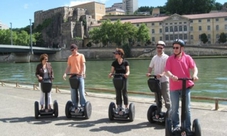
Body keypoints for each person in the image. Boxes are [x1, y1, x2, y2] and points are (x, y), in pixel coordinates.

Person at [165, 39, 199, 133]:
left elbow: (194, 68)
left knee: (187, 108)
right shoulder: (170, 59)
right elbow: (167, 71)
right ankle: (176, 126)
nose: (175, 49)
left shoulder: (187, 58)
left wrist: (195, 75)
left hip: (186, 86)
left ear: (182, 48)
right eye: (174, 47)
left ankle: (187, 127)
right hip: (174, 87)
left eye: (177, 48)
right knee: (175, 108)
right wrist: (172, 76)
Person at [146, 41, 170, 118]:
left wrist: (162, 74)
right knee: (157, 97)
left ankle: (170, 112)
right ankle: (158, 112)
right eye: (158, 48)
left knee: (166, 97)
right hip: (156, 81)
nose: (159, 49)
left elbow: (167, 69)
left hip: (164, 80)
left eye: (161, 48)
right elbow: (150, 66)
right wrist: (148, 73)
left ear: (163, 48)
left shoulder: (166, 57)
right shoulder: (154, 58)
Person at [63, 44, 87, 112]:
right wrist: (65, 73)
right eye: (71, 50)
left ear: (76, 49)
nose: (72, 51)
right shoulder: (70, 57)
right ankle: (75, 105)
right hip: (72, 76)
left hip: (79, 76)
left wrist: (83, 73)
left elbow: (83, 65)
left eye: (73, 50)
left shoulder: (81, 56)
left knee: (81, 92)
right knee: (73, 92)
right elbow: (68, 66)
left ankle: (83, 105)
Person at [108, 48, 130, 114]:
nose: (115, 55)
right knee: (118, 93)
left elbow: (128, 70)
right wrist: (110, 74)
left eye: (116, 53)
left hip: (123, 78)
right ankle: (118, 106)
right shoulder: (114, 63)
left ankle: (126, 107)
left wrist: (127, 74)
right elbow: (112, 71)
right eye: (115, 53)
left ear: (120, 54)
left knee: (124, 92)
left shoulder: (125, 62)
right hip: (116, 79)